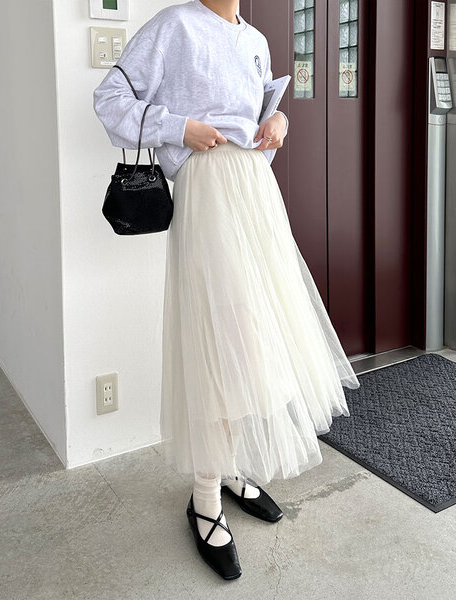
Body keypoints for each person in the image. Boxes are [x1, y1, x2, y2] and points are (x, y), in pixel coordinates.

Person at [93, 0, 360, 581]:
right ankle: (205, 497)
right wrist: (178, 128)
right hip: (208, 192)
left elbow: (261, 109)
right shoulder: (174, 26)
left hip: (256, 192)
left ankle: (230, 465)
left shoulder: (256, 40)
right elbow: (109, 99)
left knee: (251, 338)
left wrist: (279, 121)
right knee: (217, 337)